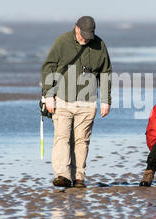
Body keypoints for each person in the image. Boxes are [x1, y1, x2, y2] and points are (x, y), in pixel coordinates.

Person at [41, 16, 112, 188]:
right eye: (83, 34)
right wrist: (48, 95)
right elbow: (48, 67)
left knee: (82, 141)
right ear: (76, 28)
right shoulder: (62, 41)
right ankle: (63, 175)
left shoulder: (99, 45)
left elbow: (105, 72)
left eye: (89, 35)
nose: (85, 38)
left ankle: (79, 177)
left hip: (88, 103)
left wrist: (105, 100)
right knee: (62, 138)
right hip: (62, 100)